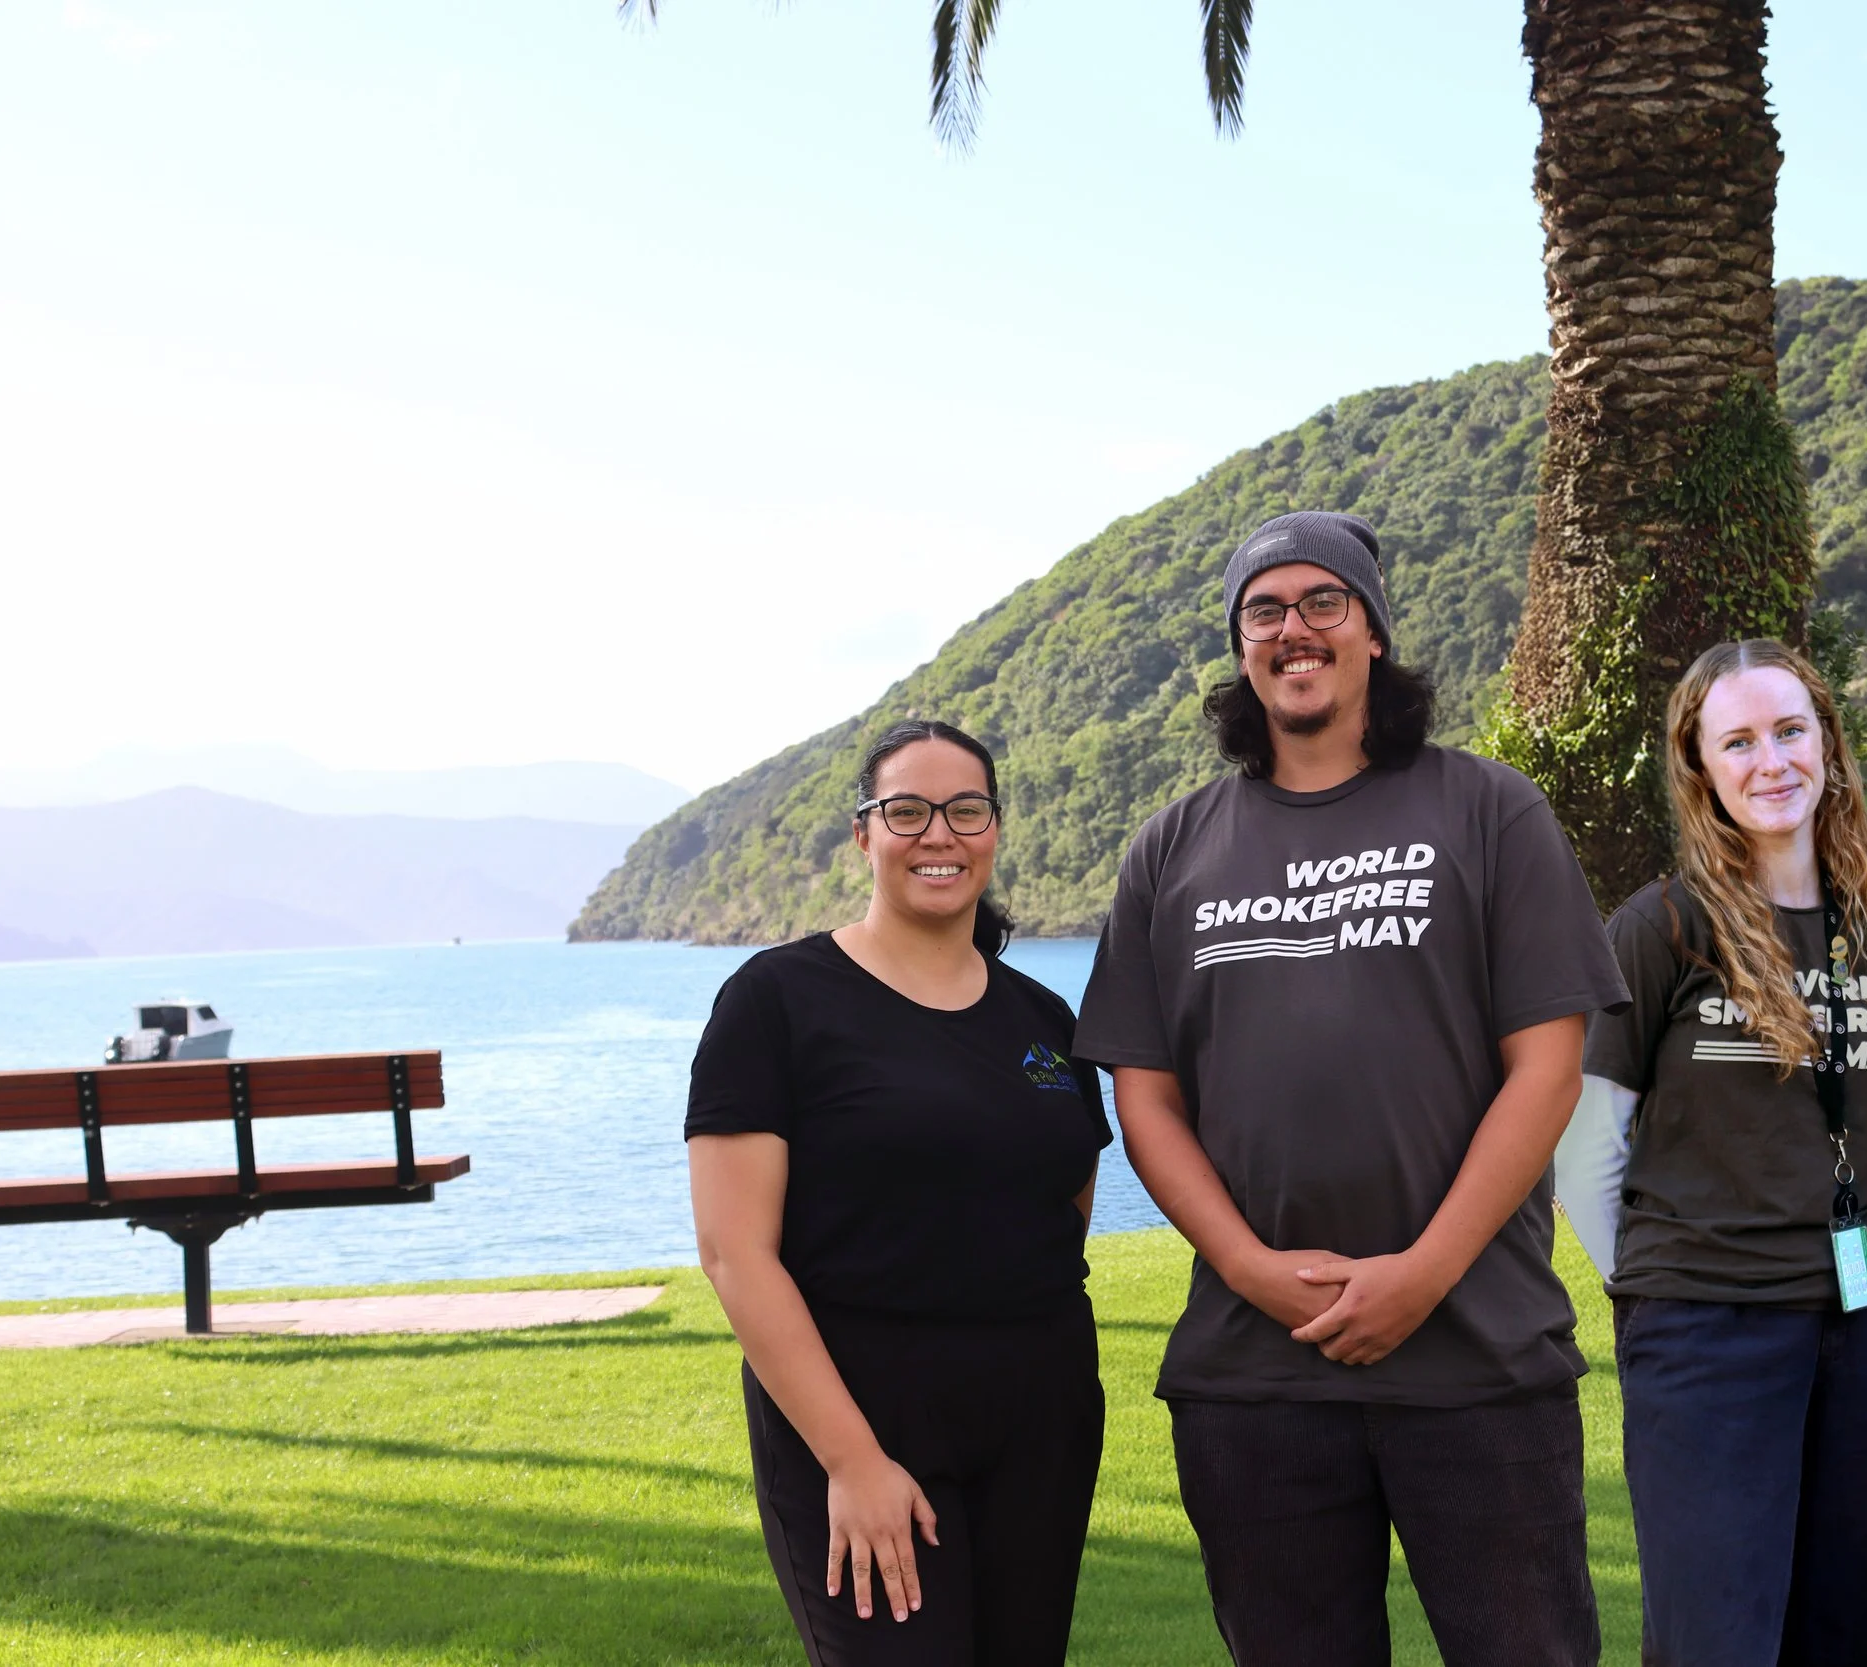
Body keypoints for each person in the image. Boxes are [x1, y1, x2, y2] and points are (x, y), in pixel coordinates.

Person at [1073, 510, 1630, 1667]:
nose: (1293, 629)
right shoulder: (1171, 846)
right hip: (1252, 1373)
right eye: (1263, 610)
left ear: (1371, 629)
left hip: (1478, 1354)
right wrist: (1244, 1266)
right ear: (1240, 648)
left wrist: (1423, 1272)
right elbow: (1146, 1095)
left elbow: (1547, 1064)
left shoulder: (1488, 810)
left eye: (1322, 601)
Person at [1553, 638, 1867, 1667]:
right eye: (1737, 740)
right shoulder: (1663, 926)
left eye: (1788, 730)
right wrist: (1656, 1292)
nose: (1769, 760)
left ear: (1826, 743)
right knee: (1717, 1635)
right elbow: (1585, 1144)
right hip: (1710, 1334)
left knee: (1864, 1626)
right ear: (1701, 767)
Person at [685, 719, 1113, 1667]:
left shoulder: (1042, 1018)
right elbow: (734, 1252)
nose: (939, 835)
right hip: (862, 1409)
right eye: (907, 810)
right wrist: (850, 1458)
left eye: (966, 810)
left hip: (1040, 1418)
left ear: (995, 829)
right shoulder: (777, 1000)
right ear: (864, 834)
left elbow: (1066, 1199)